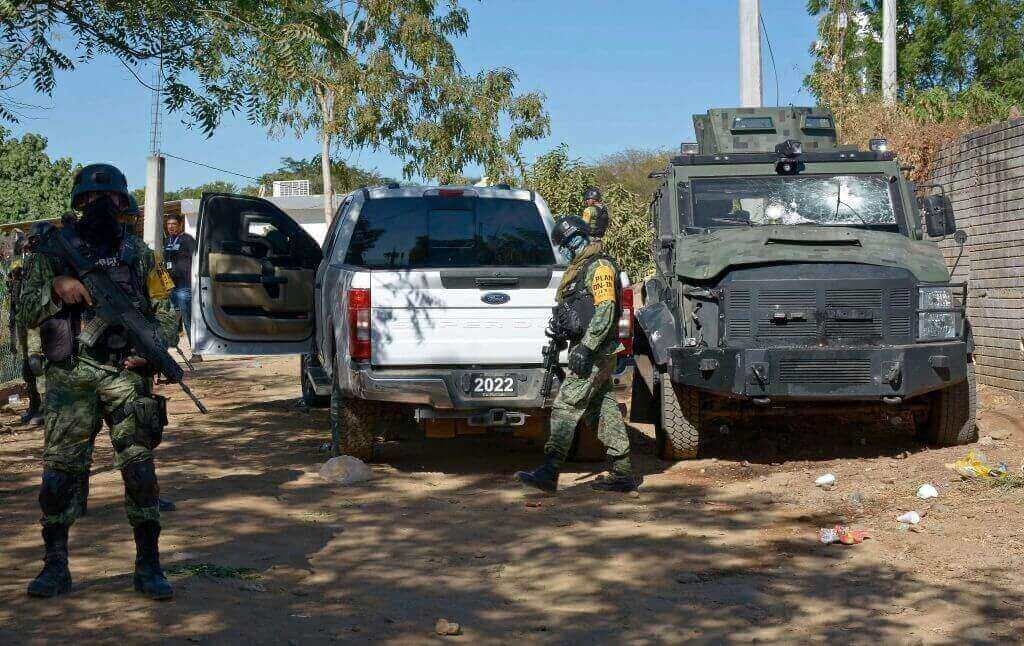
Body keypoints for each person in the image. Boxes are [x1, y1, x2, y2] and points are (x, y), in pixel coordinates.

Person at [20, 163, 179, 600]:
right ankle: (55, 566)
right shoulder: (52, 252)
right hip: (70, 376)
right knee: (58, 479)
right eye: (92, 199)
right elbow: (26, 311)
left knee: (141, 472)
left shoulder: (140, 254)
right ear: (79, 204)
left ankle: (148, 565)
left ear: (122, 204)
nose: (100, 207)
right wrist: (57, 286)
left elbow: (165, 312)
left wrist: (150, 351)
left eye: (109, 199)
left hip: (124, 375)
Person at [514, 215, 635, 494]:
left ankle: (549, 471)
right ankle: (622, 472)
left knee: (566, 406)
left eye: (564, 246)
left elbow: (605, 310)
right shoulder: (580, 270)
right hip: (591, 349)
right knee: (601, 409)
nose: (564, 252)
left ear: (575, 240)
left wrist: (587, 347)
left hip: (596, 351)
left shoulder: (599, 267)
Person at [7, 228, 43, 424]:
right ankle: (34, 405)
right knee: (26, 368)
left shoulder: (42, 260)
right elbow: (14, 287)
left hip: (36, 320)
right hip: (22, 319)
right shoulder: (19, 261)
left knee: (36, 362)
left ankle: (46, 407)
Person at [162, 213, 195, 343]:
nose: (170, 227)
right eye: (168, 224)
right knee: (170, 319)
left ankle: (195, 352)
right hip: (170, 287)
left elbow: (197, 258)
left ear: (180, 225)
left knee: (187, 319)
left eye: (173, 224)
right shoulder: (167, 241)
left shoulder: (187, 240)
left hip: (184, 286)